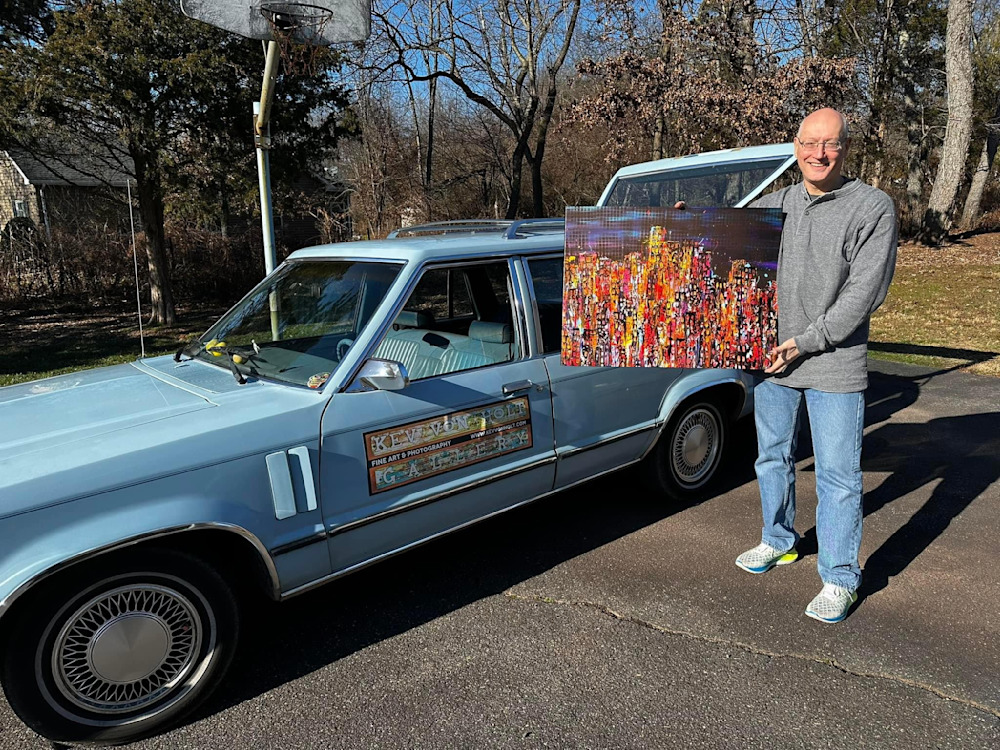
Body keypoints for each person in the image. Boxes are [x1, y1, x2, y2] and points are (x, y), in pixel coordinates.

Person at [730, 108, 899, 624]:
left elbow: (864, 295)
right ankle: (778, 539)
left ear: (845, 147)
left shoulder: (872, 207)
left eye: (829, 144)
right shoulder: (776, 204)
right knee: (772, 458)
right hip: (773, 362)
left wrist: (806, 342)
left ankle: (840, 576)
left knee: (838, 477)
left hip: (833, 364)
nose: (818, 154)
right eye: (809, 143)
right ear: (795, 147)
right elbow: (727, 241)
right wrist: (684, 223)